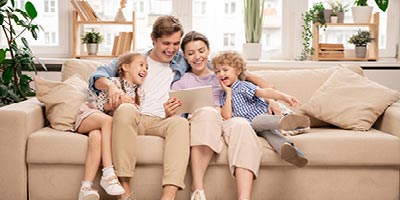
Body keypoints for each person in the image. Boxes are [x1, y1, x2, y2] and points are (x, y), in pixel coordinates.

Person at [88, 15, 190, 200]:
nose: (171, 49)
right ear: (153, 38)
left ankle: (168, 197)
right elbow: (98, 75)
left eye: (176, 43)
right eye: (166, 43)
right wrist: (111, 86)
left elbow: (215, 66)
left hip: (162, 120)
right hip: (136, 118)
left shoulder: (183, 60)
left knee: (180, 124)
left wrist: (254, 83)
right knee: (126, 109)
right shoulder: (136, 59)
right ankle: (125, 193)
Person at [172, 31, 277, 200]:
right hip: (203, 122)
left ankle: (244, 197)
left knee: (241, 124)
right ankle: (197, 189)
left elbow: (260, 85)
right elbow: (176, 112)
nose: (197, 57)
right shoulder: (182, 81)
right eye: (190, 53)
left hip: (227, 119)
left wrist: (271, 100)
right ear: (184, 55)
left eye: (201, 51)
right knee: (208, 112)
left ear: (208, 51)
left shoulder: (222, 72)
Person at [212, 50, 311, 169]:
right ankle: (293, 151)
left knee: (263, 127)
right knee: (271, 135)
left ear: (237, 71)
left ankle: (284, 123)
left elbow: (264, 92)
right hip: (250, 127)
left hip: (259, 118)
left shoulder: (243, 86)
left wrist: (284, 97)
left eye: (225, 69)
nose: (221, 74)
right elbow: (227, 116)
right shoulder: (223, 95)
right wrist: (228, 93)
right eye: (217, 71)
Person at [75, 52, 148, 200]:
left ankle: (85, 188)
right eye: (141, 65)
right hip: (90, 115)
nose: (145, 69)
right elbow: (101, 107)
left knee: (96, 137)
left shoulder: (140, 92)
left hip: (103, 125)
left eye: (147, 67)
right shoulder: (112, 83)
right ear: (125, 67)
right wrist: (117, 101)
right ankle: (108, 173)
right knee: (107, 121)